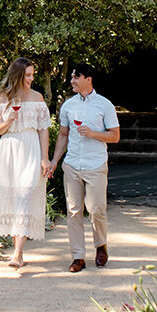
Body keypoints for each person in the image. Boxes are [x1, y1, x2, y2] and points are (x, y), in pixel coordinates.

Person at [49, 63, 120, 273]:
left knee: (97, 209)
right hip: (72, 164)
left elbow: (115, 136)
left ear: (88, 79)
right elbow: (63, 135)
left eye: (76, 77)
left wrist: (93, 133)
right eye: (71, 77)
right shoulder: (68, 106)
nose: (72, 81)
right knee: (73, 211)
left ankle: (100, 245)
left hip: (95, 164)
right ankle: (78, 257)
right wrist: (55, 161)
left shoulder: (104, 105)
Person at [0, 57, 52, 267]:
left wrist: (44, 157)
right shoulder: (3, 98)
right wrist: (8, 121)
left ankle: (18, 253)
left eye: (33, 75)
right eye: (28, 75)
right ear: (18, 76)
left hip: (31, 149)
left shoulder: (37, 98)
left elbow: (43, 130)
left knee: (25, 195)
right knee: (14, 198)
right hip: (9, 150)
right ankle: (17, 253)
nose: (31, 79)